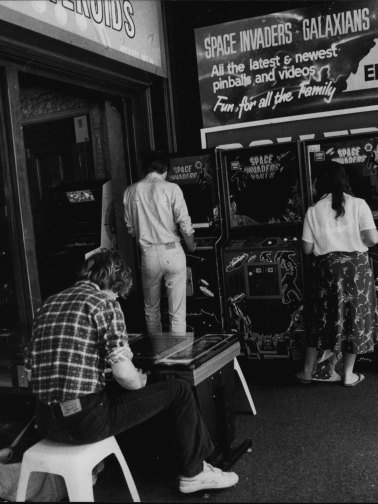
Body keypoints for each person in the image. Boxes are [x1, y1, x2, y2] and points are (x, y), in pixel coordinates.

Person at [24, 250, 238, 494]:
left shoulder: (48, 304)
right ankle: (195, 473)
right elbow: (126, 376)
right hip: (84, 424)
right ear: (114, 283)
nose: (118, 298)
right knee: (178, 391)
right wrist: (140, 379)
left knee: (107, 391)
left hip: (45, 420)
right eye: (118, 293)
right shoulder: (104, 304)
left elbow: (32, 373)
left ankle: (95, 469)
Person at [296, 162, 378, 387]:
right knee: (353, 319)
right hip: (356, 273)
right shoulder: (358, 205)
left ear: (319, 183)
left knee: (321, 320)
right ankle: (348, 374)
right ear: (344, 180)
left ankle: (307, 372)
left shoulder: (313, 210)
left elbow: (306, 249)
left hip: (327, 273)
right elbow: (373, 239)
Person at [123, 150, 196, 335]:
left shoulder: (130, 192)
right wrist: (191, 246)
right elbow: (185, 225)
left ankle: (158, 355)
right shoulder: (172, 188)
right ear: (164, 168)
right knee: (177, 312)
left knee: (151, 310)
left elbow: (131, 229)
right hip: (172, 251)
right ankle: (178, 357)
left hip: (148, 255)